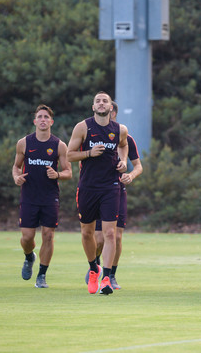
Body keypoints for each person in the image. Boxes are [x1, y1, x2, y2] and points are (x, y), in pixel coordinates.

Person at [67, 92, 128, 295]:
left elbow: (123, 145)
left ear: (111, 107)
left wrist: (122, 162)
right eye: (98, 101)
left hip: (111, 186)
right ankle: (94, 268)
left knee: (110, 233)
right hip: (87, 187)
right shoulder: (83, 127)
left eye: (105, 101)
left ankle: (107, 278)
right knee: (87, 233)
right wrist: (89, 153)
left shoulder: (120, 130)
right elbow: (69, 155)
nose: (101, 103)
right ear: (93, 107)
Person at [12, 104, 72, 288]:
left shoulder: (59, 145)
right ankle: (29, 256)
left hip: (49, 197)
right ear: (35, 121)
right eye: (40, 117)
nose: (43, 119)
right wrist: (16, 177)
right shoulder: (24, 143)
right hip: (29, 195)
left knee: (48, 235)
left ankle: (41, 276)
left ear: (51, 121)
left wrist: (58, 175)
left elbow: (68, 172)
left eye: (46, 117)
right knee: (27, 237)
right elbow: (16, 166)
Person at [94, 101, 142, 290]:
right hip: (96, 190)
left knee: (117, 236)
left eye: (112, 111)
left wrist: (130, 175)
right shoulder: (91, 134)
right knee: (98, 239)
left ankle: (111, 274)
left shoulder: (125, 138)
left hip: (117, 192)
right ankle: (94, 265)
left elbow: (138, 166)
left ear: (114, 113)